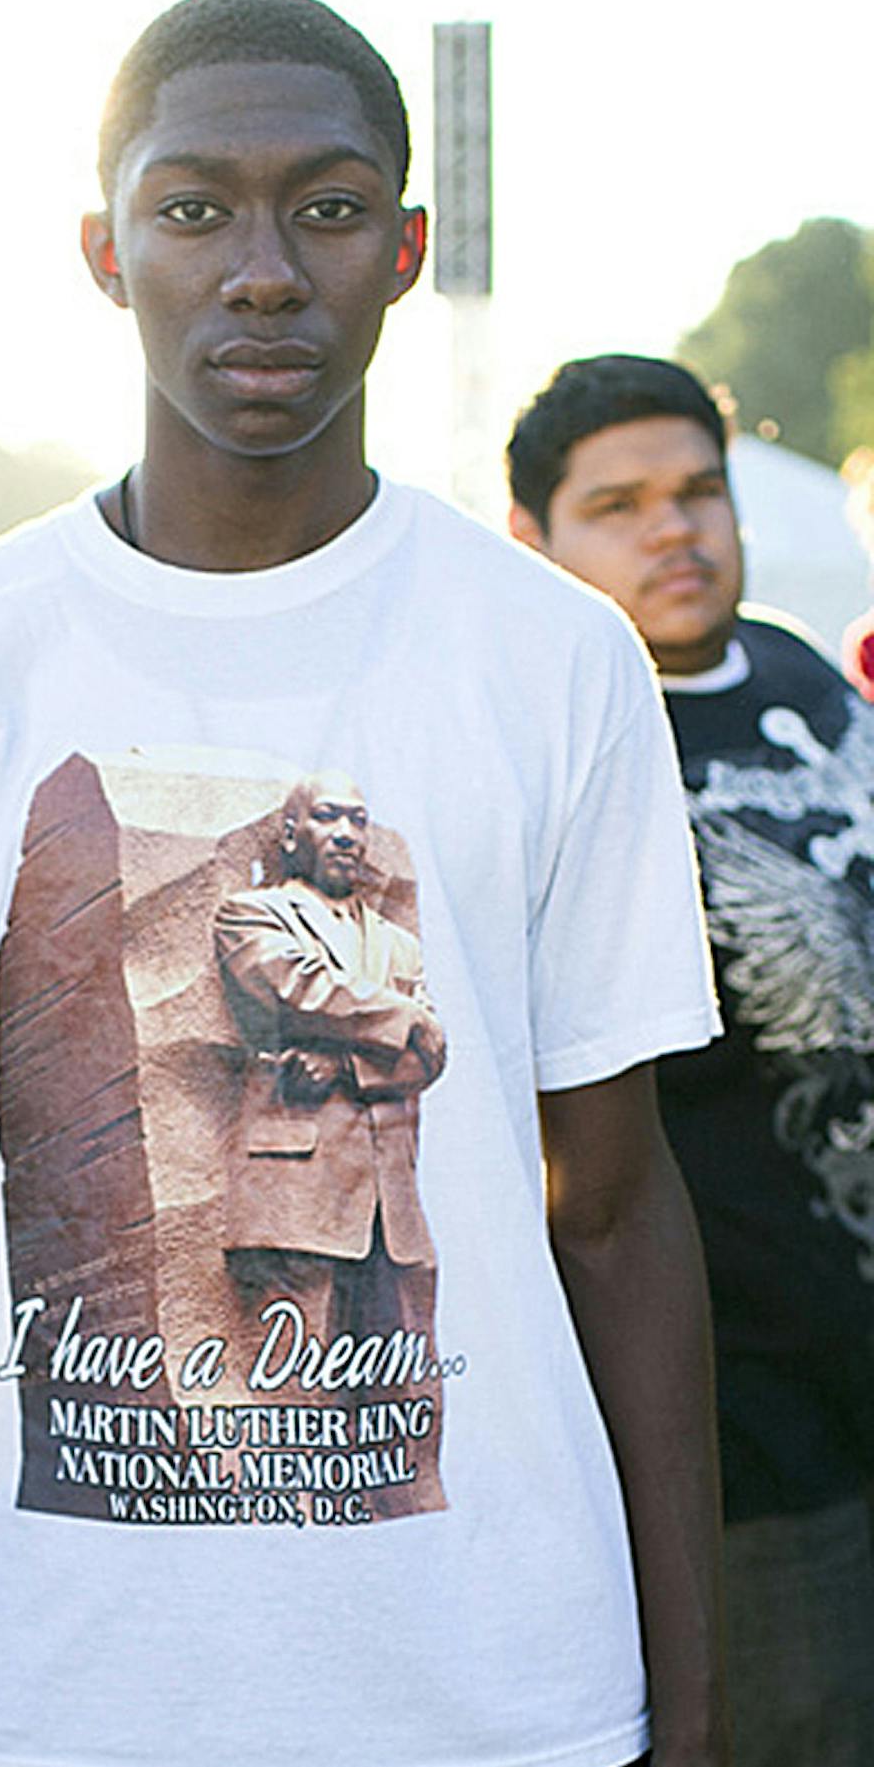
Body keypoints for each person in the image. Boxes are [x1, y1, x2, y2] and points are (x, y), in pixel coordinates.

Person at [0, 0, 725, 1765]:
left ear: (405, 249)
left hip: (506, 1692)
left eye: (322, 209)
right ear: (102, 252)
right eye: (191, 211)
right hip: (77, 1692)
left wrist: (683, 1715)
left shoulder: (554, 656)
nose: (259, 271)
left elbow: (614, 1206)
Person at [509, 352, 874, 1766]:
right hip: (742, 1427)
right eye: (620, 505)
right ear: (534, 541)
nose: (676, 530)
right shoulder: (555, 734)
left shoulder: (795, 666)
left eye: (697, 491)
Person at [213, 771, 445, 1423]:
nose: (346, 832)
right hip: (299, 1193)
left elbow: (432, 1053)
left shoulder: (398, 943)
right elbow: (300, 988)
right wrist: (402, 1019)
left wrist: (342, 1060)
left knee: (405, 1406)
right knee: (294, 1405)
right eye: (327, 817)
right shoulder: (250, 913)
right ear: (292, 833)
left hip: (392, 1205)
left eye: (358, 819)